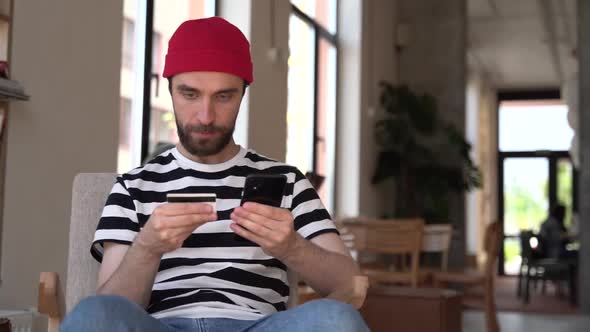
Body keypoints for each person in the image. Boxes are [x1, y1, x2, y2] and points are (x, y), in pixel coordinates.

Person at [60, 17, 368, 332]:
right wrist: (148, 247)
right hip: (162, 327)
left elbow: (349, 284)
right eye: (190, 94)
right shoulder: (132, 187)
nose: (206, 116)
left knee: (336, 319)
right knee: (94, 314)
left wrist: (291, 246)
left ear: (243, 95)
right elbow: (112, 307)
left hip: (258, 326)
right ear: (170, 91)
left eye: (223, 96)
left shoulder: (288, 182)